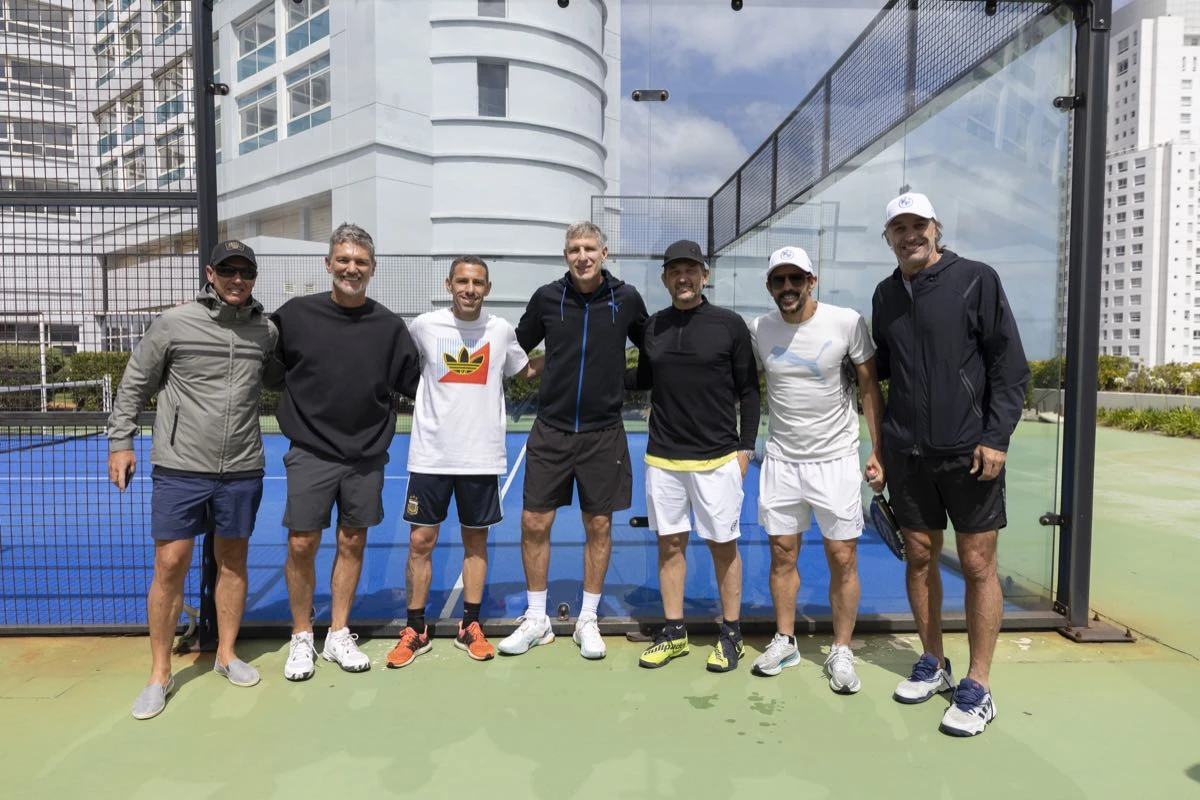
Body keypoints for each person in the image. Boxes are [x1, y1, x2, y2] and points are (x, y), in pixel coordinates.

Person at [872, 192, 1030, 737]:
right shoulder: (885, 294)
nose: (910, 234)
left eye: (918, 224)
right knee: (918, 558)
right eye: (899, 227)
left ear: (935, 228)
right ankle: (933, 661)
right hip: (907, 454)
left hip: (970, 453)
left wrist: (995, 437)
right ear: (888, 237)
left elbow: (1009, 368)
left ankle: (978, 685)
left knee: (979, 564)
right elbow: (883, 373)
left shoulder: (975, 279)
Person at [108, 239, 278, 720]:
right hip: (181, 466)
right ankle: (159, 674)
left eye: (245, 271)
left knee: (233, 561)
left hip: (242, 467)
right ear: (210, 273)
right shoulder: (173, 323)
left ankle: (225, 654)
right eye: (228, 270)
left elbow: (285, 377)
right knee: (171, 562)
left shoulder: (265, 331)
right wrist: (120, 441)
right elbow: (135, 383)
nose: (237, 279)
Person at [273, 223, 421, 681]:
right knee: (302, 543)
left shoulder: (389, 327)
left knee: (352, 541)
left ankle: (338, 632)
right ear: (328, 264)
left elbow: (418, 385)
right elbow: (261, 362)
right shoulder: (295, 316)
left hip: (366, 456)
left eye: (360, 262)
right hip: (311, 452)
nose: (351, 268)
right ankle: (302, 635)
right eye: (344, 260)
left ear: (372, 269)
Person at [498, 221, 648, 660]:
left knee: (598, 525)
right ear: (565, 255)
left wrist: (620, 380)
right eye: (573, 249)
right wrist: (545, 364)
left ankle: (588, 618)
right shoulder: (547, 298)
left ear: (605, 252)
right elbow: (515, 352)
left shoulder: (628, 299)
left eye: (589, 248)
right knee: (533, 523)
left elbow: (656, 352)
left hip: (604, 433)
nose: (581, 256)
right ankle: (537, 618)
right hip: (551, 430)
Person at [385, 256, 542, 668]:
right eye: (462, 281)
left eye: (477, 282)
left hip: (481, 457)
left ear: (486, 288)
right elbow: (395, 366)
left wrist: (578, 348)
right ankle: (415, 628)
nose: (469, 289)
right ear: (448, 283)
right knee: (421, 542)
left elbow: (526, 371)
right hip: (431, 456)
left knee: (477, 542)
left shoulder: (500, 330)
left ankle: (469, 625)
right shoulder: (423, 327)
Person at [747, 246, 884, 693]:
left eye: (795, 279)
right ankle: (785, 640)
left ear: (812, 281)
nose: (787, 288)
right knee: (782, 554)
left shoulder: (847, 322)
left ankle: (841, 649)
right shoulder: (759, 330)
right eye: (778, 280)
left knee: (842, 557)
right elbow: (743, 387)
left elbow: (868, 386)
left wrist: (877, 450)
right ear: (770, 286)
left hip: (837, 460)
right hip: (782, 460)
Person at [627, 240, 760, 673]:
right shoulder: (653, 327)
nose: (683, 278)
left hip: (718, 459)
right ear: (665, 279)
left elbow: (749, 392)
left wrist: (745, 448)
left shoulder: (730, 325)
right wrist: (585, 369)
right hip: (664, 459)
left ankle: (732, 634)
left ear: (704, 275)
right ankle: (675, 632)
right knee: (670, 547)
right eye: (674, 271)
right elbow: (642, 379)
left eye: (691, 270)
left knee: (724, 547)